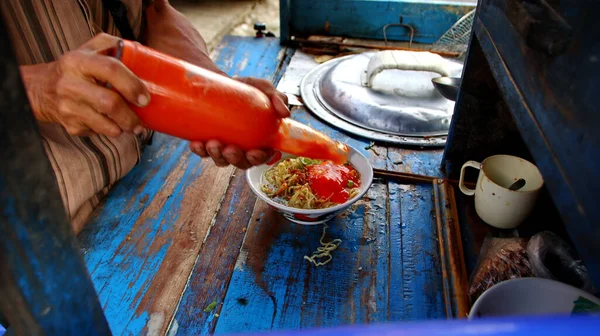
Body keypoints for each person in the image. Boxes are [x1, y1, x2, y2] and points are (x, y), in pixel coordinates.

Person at [0, 0, 290, 233]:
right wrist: (36, 90)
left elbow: (156, 13)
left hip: (146, 167)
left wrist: (218, 88)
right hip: (48, 225)